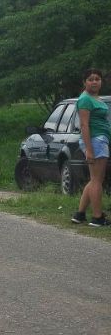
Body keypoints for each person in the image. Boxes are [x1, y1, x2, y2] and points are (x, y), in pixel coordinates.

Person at [72, 68, 110, 226]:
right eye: (91, 79)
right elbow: (84, 125)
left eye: (97, 79)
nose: (94, 82)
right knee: (97, 181)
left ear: (101, 81)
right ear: (84, 82)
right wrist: (89, 149)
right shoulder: (85, 99)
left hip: (100, 140)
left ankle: (80, 214)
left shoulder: (96, 98)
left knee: (95, 179)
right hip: (95, 141)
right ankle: (97, 217)